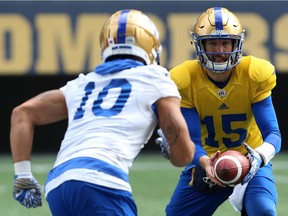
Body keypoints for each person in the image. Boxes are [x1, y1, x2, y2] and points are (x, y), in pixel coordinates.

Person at [10, 9, 195, 216]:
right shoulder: (155, 77)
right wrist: (173, 147)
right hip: (101, 179)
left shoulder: (82, 83)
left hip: (58, 184)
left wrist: (22, 174)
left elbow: (22, 113)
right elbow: (184, 155)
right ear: (150, 46)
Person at [156, 7, 281, 216]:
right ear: (200, 45)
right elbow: (192, 142)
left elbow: (273, 134)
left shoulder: (254, 74)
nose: (220, 50)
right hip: (207, 162)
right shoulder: (184, 79)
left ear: (236, 44)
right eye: (212, 43)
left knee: (264, 211)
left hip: (250, 161)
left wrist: (258, 158)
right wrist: (206, 162)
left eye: (225, 42)